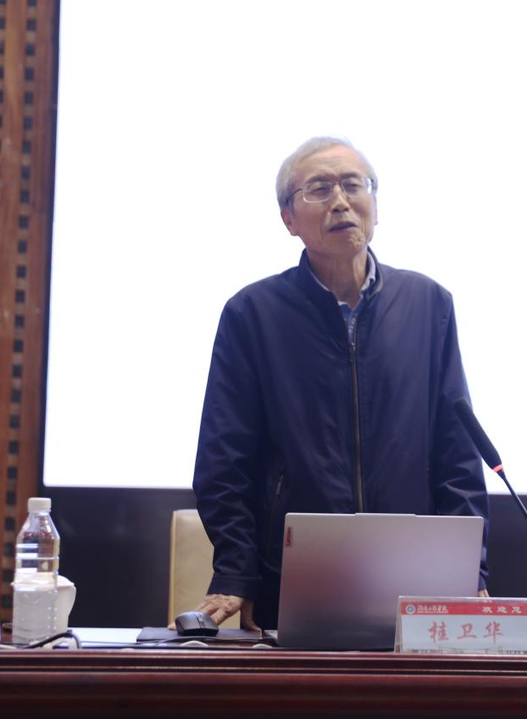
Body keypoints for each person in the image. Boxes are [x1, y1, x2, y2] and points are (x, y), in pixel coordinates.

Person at [191, 137, 489, 630]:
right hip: (291, 580)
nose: (340, 201)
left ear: (376, 206)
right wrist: (236, 572)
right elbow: (224, 461)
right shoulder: (253, 314)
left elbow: (457, 452)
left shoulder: (429, 304)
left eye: (354, 185)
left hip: (416, 581)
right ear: (288, 218)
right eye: (319, 189)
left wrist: (465, 569)